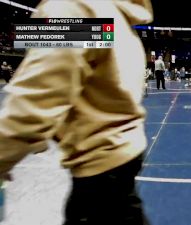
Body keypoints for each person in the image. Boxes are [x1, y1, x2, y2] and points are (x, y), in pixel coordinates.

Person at [0, 0, 153, 224]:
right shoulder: (110, 12)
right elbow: (89, 82)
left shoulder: (71, 7)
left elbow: (38, 99)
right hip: (120, 158)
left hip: (98, 169)